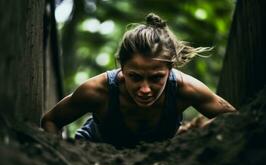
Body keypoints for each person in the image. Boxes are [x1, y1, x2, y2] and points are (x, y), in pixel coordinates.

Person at [41, 13, 236, 147]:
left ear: (170, 69)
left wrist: (196, 134)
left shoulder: (186, 89)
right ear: (122, 67)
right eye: (134, 77)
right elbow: (51, 120)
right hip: (93, 158)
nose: (145, 89)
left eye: (156, 78)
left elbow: (234, 119)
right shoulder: (97, 90)